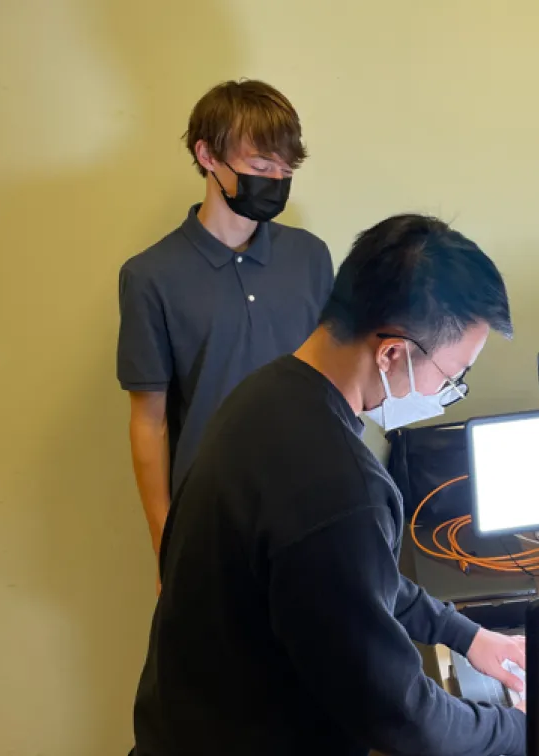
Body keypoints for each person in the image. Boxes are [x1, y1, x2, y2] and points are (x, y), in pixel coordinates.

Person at [131, 214, 526, 756]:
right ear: (391, 353)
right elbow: (404, 719)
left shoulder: (267, 394)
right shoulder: (338, 488)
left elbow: (357, 579)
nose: (450, 391)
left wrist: (468, 636)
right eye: (453, 375)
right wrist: (529, 728)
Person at [116, 80, 333, 568]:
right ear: (208, 155)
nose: (275, 180)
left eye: (285, 169)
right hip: (213, 522)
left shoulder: (310, 257)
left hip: (316, 507)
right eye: (260, 167)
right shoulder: (151, 277)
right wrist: (166, 548)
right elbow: (147, 422)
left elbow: (336, 383)